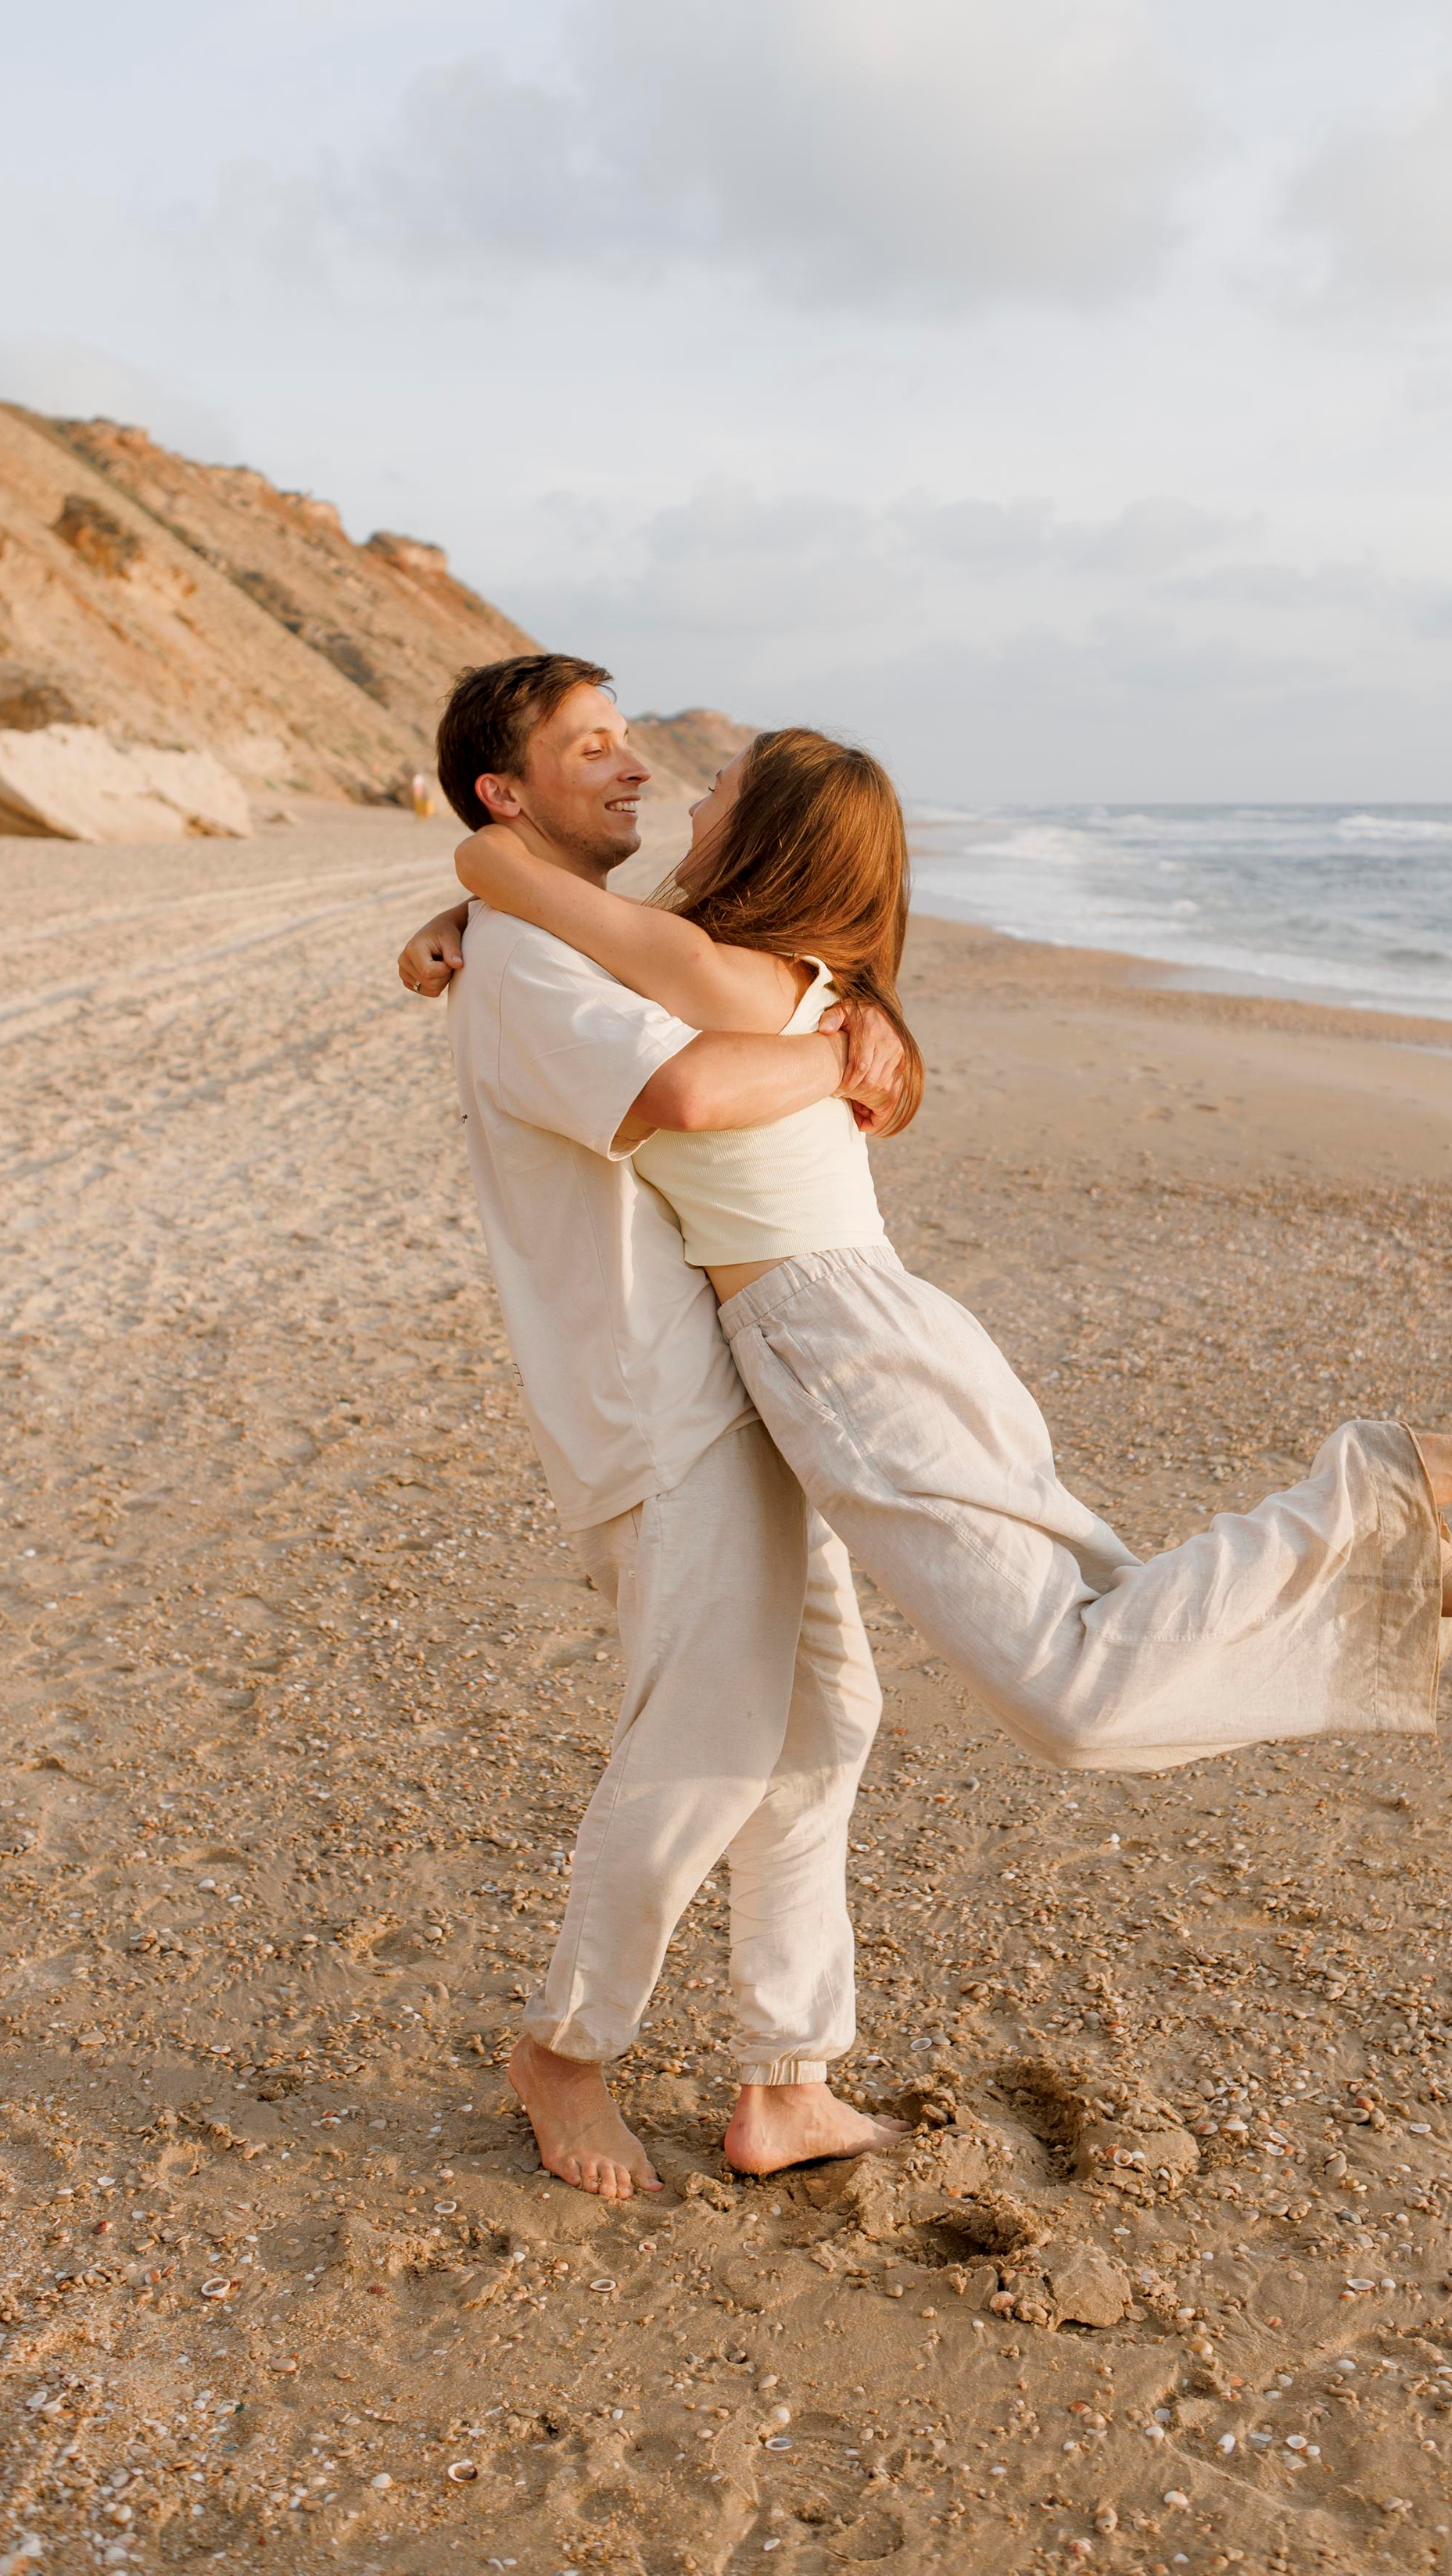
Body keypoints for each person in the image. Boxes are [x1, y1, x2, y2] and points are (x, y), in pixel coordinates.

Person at [400, 712, 1452, 1804]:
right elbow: (571, 932)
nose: (689, 802)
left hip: (831, 1340)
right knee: (1113, 1618)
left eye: (722, 790)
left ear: (762, 838)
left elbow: (526, 895)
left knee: (1080, 1706)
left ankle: (1368, 1492)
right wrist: (460, 934)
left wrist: (482, 887)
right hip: (880, 1318)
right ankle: (1391, 1579)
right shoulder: (771, 972)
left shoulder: (733, 982)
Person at [412, 654, 919, 2202]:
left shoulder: (575, 937)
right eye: (590, 750)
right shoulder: (534, 962)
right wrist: (847, 1052)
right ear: (506, 795)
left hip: (735, 1385)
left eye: (630, 743)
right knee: (700, 1745)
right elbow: (698, 1082)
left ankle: (785, 2078)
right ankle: (565, 2050)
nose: (630, 770)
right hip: (656, 1402)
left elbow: (719, 971)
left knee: (826, 1721)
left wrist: (865, 1003)